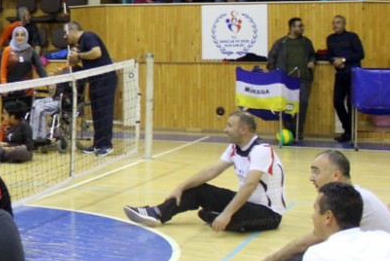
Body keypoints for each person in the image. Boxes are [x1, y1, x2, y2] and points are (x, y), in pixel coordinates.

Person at [212, 150, 390, 261]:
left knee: (310, 258)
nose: (311, 178)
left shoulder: (346, 201)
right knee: (306, 256)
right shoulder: (353, 194)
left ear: (336, 175)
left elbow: (309, 241)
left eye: (316, 172)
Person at [124, 110, 286, 232]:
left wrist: (226, 214)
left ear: (243, 129)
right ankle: (157, 212)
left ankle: (216, 215)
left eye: (230, 126)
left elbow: (250, 185)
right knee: (198, 189)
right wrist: (181, 186)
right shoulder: (234, 148)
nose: (225, 129)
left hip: (268, 213)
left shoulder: (261, 150)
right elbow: (211, 170)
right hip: (246, 204)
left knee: (229, 219)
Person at [65, 21, 115, 157]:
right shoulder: (81, 44)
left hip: (105, 79)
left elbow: (96, 53)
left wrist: (79, 56)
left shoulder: (88, 36)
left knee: (104, 112)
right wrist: (75, 58)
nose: (65, 37)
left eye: (66, 33)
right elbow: (80, 61)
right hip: (94, 80)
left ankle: (106, 145)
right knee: (97, 112)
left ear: (73, 30)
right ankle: (97, 143)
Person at [268, 17, 316, 141]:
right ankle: (289, 130)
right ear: (292, 28)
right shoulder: (281, 43)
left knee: (303, 104)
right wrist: (275, 75)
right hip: (286, 81)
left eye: (302, 25)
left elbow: (313, 55)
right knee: (286, 106)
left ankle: (298, 131)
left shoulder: (306, 42)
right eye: (299, 26)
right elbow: (271, 60)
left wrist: (312, 61)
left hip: (303, 79)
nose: (302, 28)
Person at [326, 15, 365, 142]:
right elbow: (329, 55)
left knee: (350, 103)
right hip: (340, 74)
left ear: (344, 24)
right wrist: (334, 61)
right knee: (337, 102)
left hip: (353, 74)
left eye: (338, 22)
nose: (335, 25)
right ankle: (349, 129)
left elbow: (360, 54)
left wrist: (343, 60)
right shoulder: (330, 38)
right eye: (333, 23)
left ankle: (349, 132)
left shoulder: (352, 36)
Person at [0, 25, 46, 113]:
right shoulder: (7, 50)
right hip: (9, 89)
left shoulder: (31, 50)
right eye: (17, 35)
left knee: (25, 115)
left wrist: (48, 82)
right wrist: (4, 86)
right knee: (8, 115)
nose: (20, 37)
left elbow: (40, 68)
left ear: (26, 36)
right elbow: (3, 70)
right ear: (14, 36)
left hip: (26, 90)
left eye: (22, 35)